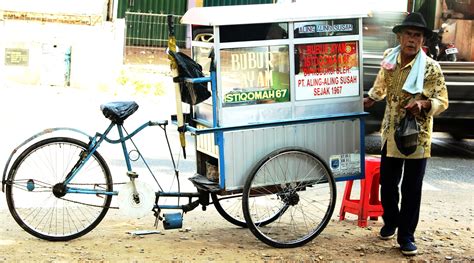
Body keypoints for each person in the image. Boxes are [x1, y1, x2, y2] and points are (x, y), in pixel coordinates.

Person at [364, 12, 449, 256]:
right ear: (400, 37)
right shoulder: (388, 59)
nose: (412, 40)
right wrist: (372, 97)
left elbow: (442, 100)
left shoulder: (431, 68)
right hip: (391, 132)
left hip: (417, 135)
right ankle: (391, 221)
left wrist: (423, 104)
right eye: (408, 34)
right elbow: (381, 84)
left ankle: (407, 235)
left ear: (423, 40)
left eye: (417, 36)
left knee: (412, 187)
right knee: (388, 183)